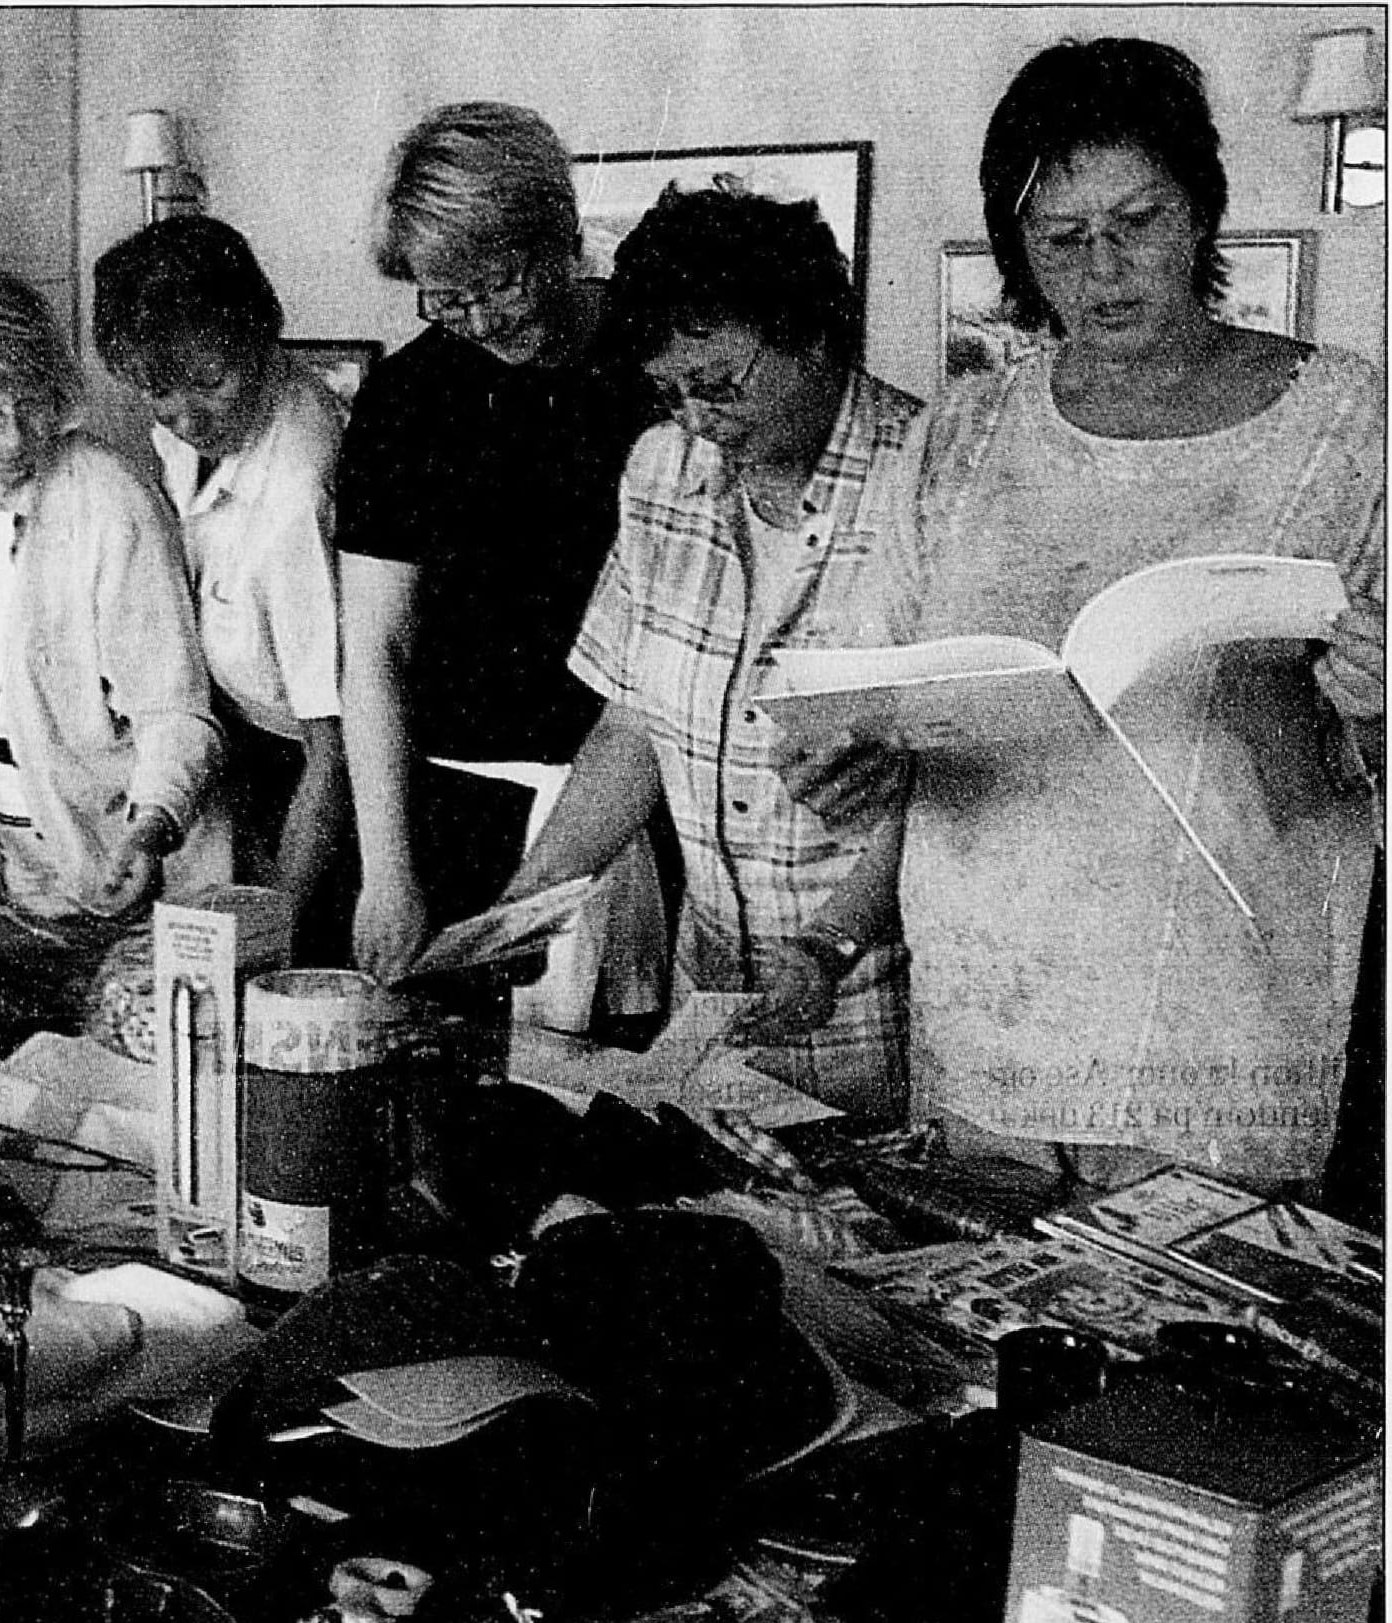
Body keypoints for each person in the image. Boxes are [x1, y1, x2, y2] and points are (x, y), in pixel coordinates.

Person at [802, 38, 1383, 1184]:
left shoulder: (1348, 423)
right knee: (982, 1292)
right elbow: (875, 711)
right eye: (1060, 240)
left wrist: (1375, 707)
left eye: (1137, 222)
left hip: (1219, 1029)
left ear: (1199, 213)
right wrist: (842, 760)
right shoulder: (957, 435)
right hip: (987, 1013)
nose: (1104, 271)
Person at [487, 184, 920, 1117]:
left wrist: (830, 946)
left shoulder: (927, 477)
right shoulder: (661, 471)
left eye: (717, 385)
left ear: (816, 335)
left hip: (881, 1006)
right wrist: (531, 898)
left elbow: (966, 785)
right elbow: (631, 724)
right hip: (713, 995)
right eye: (668, 391)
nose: (694, 418)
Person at [335, 103, 664, 980]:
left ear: (559, 235)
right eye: (446, 298)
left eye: (501, 283)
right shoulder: (406, 398)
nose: (479, 320)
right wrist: (386, 872)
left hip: (629, 804)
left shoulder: (654, 366)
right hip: (445, 814)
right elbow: (374, 648)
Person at [0, 267, 227, 921]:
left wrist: (150, 827)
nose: (16, 435)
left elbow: (173, 711)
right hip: (3, 863)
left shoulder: (110, 500)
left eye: (29, 401)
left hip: (133, 854)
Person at [93, 215, 352, 953]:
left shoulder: (298, 490)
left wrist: (274, 924)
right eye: (158, 392)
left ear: (262, 331)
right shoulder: (190, 432)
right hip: (238, 749)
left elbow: (334, 749)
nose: (186, 417)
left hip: (318, 788)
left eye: (211, 382)